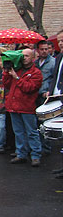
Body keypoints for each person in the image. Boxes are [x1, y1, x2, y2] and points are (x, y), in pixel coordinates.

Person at [5, 49, 43, 166]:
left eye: (27, 56)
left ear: (33, 58)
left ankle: (35, 155)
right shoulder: (17, 69)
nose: (24, 58)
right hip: (14, 105)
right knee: (18, 132)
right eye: (23, 56)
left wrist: (17, 78)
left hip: (27, 106)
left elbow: (29, 88)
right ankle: (21, 154)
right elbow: (6, 84)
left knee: (31, 132)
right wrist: (7, 71)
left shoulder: (36, 73)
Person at [47, 30, 63, 178]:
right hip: (57, 98)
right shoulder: (59, 57)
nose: (61, 44)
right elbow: (55, 77)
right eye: (60, 41)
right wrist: (50, 92)